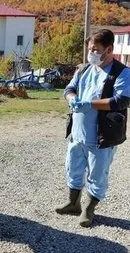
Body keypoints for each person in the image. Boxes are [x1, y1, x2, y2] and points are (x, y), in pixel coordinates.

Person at [55, 29, 130, 227]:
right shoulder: (84, 70)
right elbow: (69, 89)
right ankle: (73, 203)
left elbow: (121, 100)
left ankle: (89, 209)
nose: (91, 53)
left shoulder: (121, 73)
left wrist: (90, 104)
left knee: (97, 174)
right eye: (90, 49)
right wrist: (72, 99)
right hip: (78, 133)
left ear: (109, 49)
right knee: (73, 167)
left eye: (96, 49)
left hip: (101, 136)